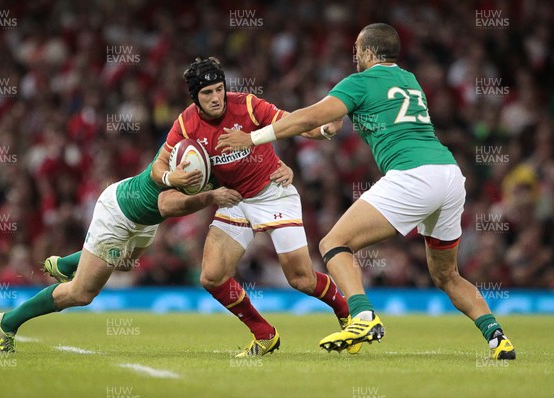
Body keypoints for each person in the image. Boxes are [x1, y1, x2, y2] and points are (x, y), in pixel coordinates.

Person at [216, 23, 515, 360]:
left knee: (333, 243)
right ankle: (497, 338)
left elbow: (304, 118)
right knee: (447, 275)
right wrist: (334, 126)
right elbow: (366, 118)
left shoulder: (359, 82)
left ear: (370, 52)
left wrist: (252, 138)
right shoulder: (409, 80)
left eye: (357, 47)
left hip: (412, 175)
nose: (353, 54)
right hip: (448, 175)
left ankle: (361, 316)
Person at [0, 145, 293, 352]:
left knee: (125, 262)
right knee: (82, 294)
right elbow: (169, 206)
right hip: (119, 212)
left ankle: (66, 264)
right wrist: (211, 197)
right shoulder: (182, 170)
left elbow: (253, 146)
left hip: (144, 219)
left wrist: (279, 166)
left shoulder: (206, 149)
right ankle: (7, 322)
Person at [152, 57, 350, 357]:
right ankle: (265, 334)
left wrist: (323, 131)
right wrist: (170, 176)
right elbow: (159, 165)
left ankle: (347, 312)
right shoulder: (185, 123)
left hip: (273, 193)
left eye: (219, 89)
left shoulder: (246, 105)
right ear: (195, 97)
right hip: (235, 201)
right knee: (211, 276)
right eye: (207, 93)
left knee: (300, 279)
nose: (216, 97)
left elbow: (291, 123)